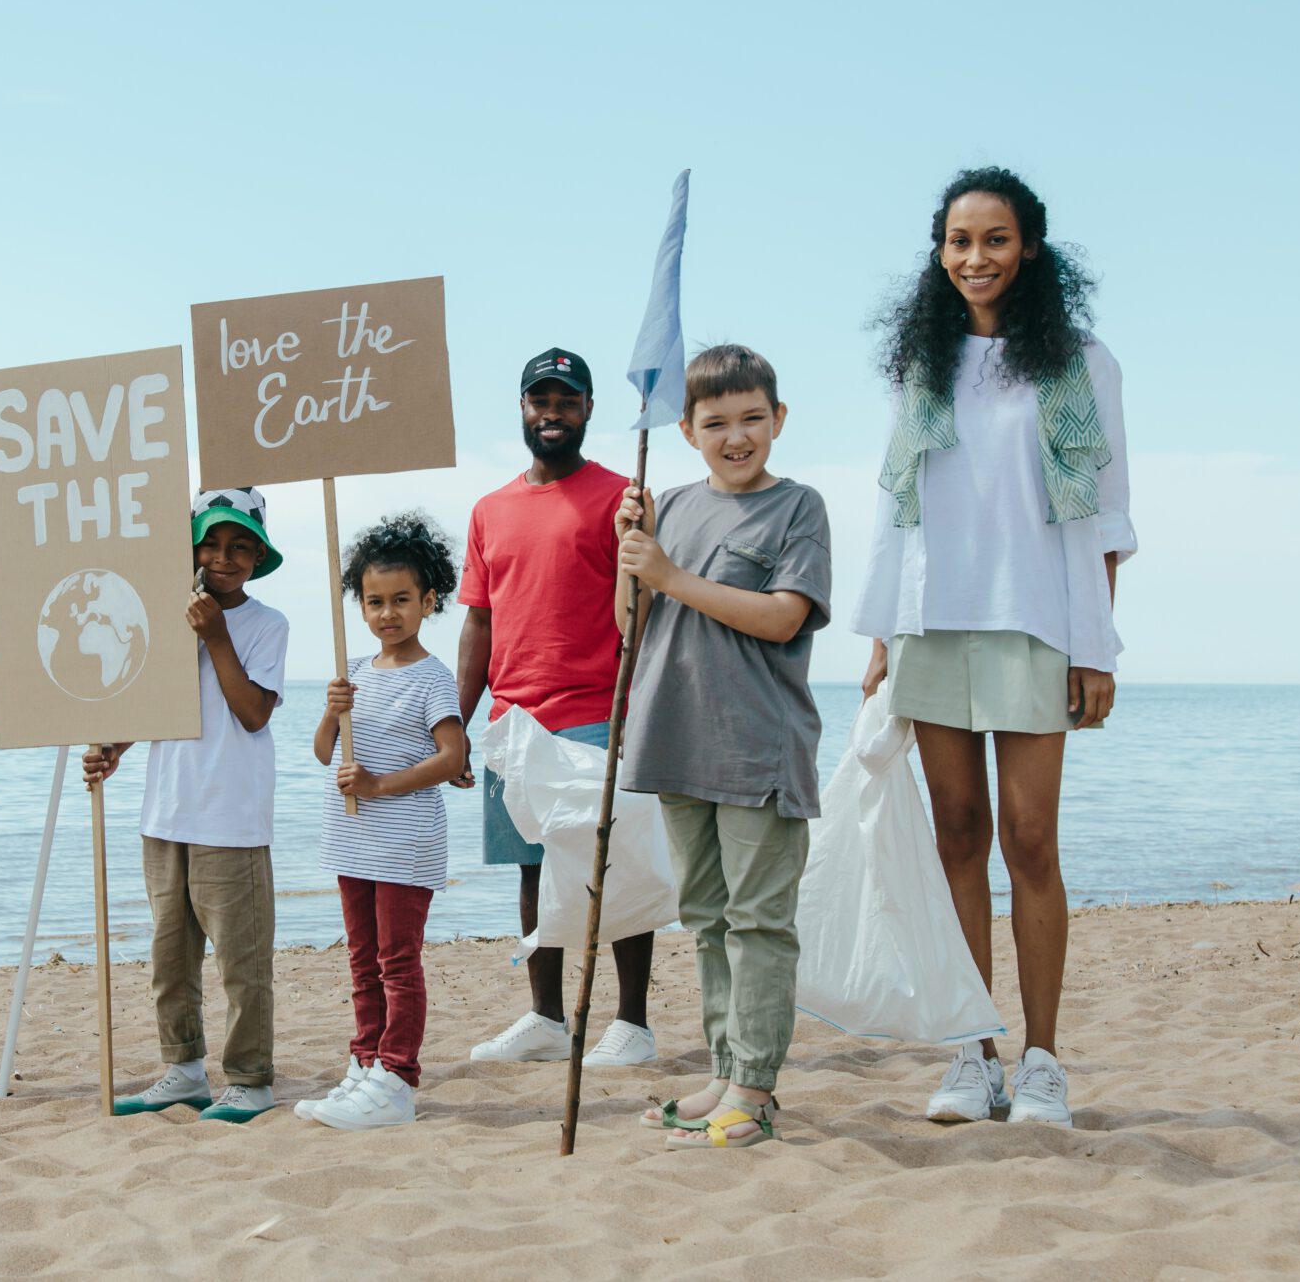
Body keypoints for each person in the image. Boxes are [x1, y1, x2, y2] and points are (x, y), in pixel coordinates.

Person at [856, 167, 1135, 1129]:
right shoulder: (921, 366)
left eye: (996, 240)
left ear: (1030, 250)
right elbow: (897, 512)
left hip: (1036, 622)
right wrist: (885, 636)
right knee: (957, 839)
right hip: (934, 622)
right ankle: (972, 1058)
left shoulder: (1081, 363)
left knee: (1030, 842)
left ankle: (1044, 1060)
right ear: (940, 253)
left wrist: (1096, 649)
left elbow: (1106, 517)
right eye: (959, 241)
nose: (976, 258)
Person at [615, 344, 832, 1149]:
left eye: (751, 419)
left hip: (758, 744)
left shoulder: (797, 507)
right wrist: (629, 554)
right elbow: (629, 627)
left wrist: (667, 573)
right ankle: (723, 1068)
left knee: (758, 920)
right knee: (706, 916)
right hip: (674, 735)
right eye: (716, 423)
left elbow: (782, 616)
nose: (735, 436)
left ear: (777, 420)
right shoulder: (666, 504)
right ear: (686, 429)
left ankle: (757, 1086)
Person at [458, 348, 659, 1066]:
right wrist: (457, 721)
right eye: (540, 400)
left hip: (598, 710)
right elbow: (479, 619)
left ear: (588, 411)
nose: (552, 413)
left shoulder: (619, 497)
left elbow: (647, 603)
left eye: (566, 401)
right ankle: (545, 1018)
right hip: (513, 720)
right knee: (533, 870)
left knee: (616, 862)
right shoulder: (490, 509)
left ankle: (631, 1023)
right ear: (522, 408)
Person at [84, 487, 290, 1124]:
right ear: (191, 549)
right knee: (170, 957)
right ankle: (183, 1069)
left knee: (240, 960)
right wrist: (114, 747)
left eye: (239, 546)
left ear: (258, 556)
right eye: (211, 543)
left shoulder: (266, 625)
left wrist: (217, 635)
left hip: (229, 813)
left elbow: (252, 713)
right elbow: (157, 700)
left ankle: (251, 1078)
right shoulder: (167, 616)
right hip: (165, 810)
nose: (223, 557)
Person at [300, 514, 467, 1130]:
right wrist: (330, 712)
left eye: (401, 600)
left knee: (398, 961)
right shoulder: (359, 675)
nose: (387, 613)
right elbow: (326, 754)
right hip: (352, 842)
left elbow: (453, 758)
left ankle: (397, 1076)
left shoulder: (430, 678)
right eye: (374, 602)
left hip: (404, 845)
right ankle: (366, 1061)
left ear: (429, 600)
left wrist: (377, 785)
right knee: (361, 959)